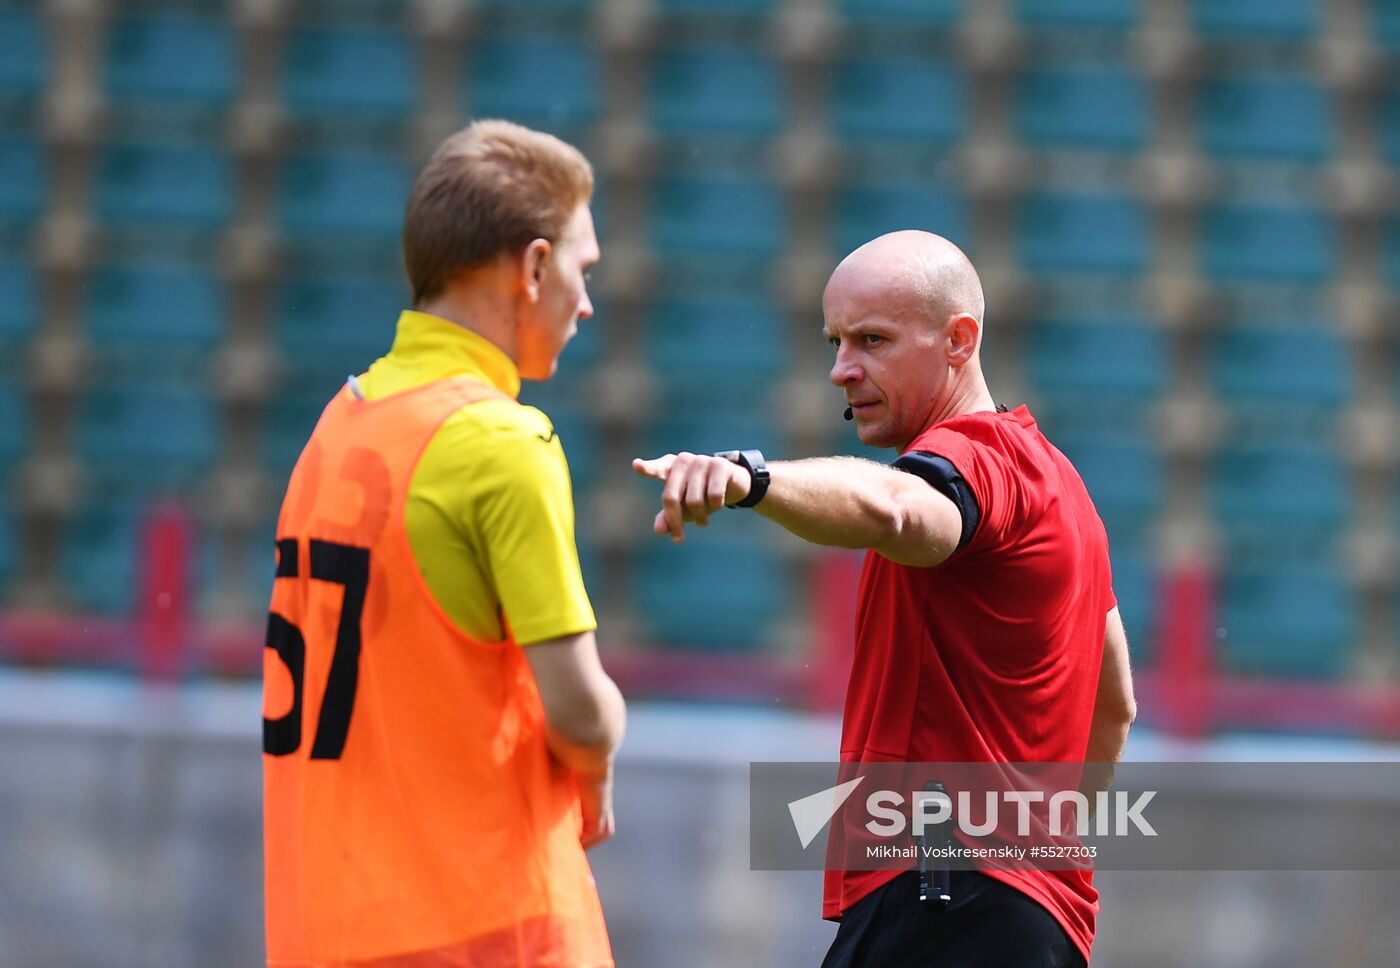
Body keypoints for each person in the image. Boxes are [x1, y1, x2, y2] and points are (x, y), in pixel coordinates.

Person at [634, 231, 1135, 967]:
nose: (841, 370)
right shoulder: (1065, 489)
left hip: (941, 889)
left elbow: (900, 508)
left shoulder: (971, 462)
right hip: (1037, 917)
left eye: (872, 340)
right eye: (835, 341)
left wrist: (753, 480)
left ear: (959, 340)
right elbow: (1114, 704)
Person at [263, 119, 625, 968]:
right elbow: (578, 710)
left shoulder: (339, 425)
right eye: (582, 268)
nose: (587, 301)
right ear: (534, 267)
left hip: (326, 927)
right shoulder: (500, 442)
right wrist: (601, 750)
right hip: (483, 925)